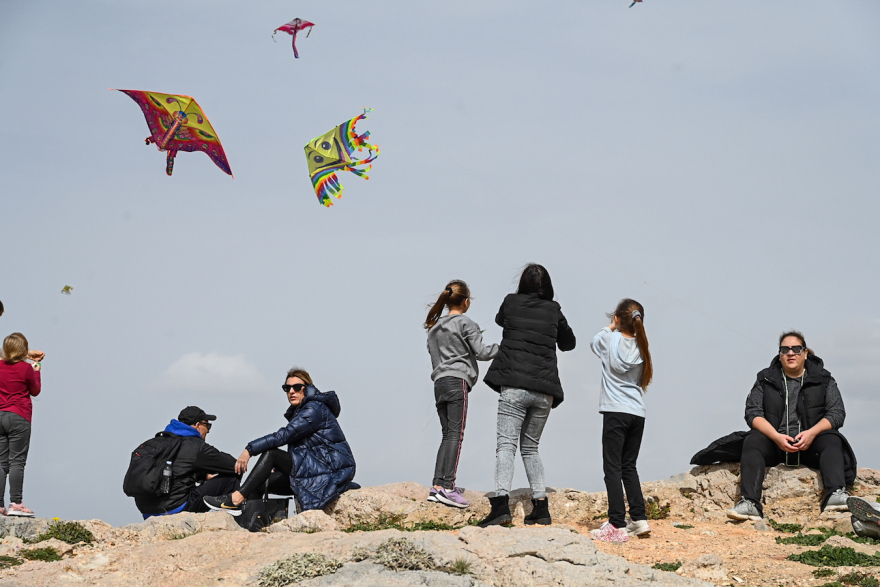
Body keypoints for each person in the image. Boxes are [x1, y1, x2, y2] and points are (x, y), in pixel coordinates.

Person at [479, 264, 576, 527]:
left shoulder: (510, 302)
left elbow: (500, 320)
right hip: (545, 391)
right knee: (531, 448)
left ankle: (501, 505)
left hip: (514, 385)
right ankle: (541, 507)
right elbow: (569, 343)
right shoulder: (554, 309)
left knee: (506, 446)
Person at [727, 331, 852, 521]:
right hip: (775, 444)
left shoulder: (824, 379)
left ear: (805, 353)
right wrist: (776, 437)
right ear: (780, 354)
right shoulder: (764, 379)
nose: (790, 353)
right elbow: (752, 413)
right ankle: (750, 503)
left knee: (833, 438)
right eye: (785, 349)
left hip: (811, 445)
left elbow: (837, 413)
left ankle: (835, 495)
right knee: (753, 439)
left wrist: (811, 433)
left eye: (796, 349)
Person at [204, 368, 356, 515]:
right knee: (260, 481)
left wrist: (250, 449)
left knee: (272, 454)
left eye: (296, 387)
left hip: (329, 472)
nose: (291, 391)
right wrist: (276, 469)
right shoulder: (301, 411)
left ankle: (235, 499)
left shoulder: (314, 409)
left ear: (307, 388)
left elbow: (284, 435)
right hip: (313, 470)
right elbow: (304, 452)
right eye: (287, 388)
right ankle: (251, 527)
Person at [425, 280, 498, 509]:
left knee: (447, 435)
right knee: (456, 435)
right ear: (466, 301)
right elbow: (483, 353)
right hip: (458, 381)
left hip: (439, 383)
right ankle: (448, 487)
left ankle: (436, 486)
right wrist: (504, 347)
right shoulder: (466, 323)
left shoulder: (434, 328)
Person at [589, 299, 654, 543]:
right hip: (637, 412)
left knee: (612, 468)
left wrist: (611, 326)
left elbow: (594, 342)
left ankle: (617, 523)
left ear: (617, 318)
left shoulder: (609, 339)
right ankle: (639, 519)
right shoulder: (642, 345)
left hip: (615, 412)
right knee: (629, 466)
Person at [134, 406, 239, 519]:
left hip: (147, 511)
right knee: (233, 476)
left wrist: (203, 475)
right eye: (207, 425)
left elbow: (175, 469)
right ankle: (243, 520)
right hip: (177, 509)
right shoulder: (195, 446)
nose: (208, 430)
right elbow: (234, 465)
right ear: (198, 425)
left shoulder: (158, 442)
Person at [0, 333, 42, 516]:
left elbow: (6, 358)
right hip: (19, 416)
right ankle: (16, 503)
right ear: (23, 350)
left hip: (0, 415)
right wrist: (37, 368)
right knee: (17, 461)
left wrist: (25, 354)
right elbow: (36, 390)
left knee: (1, 463)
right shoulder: (26, 369)